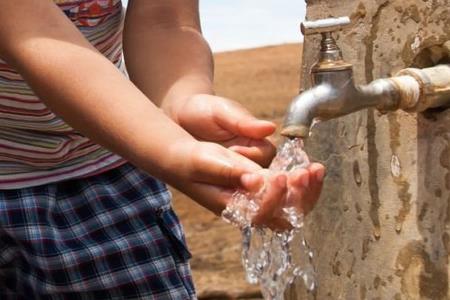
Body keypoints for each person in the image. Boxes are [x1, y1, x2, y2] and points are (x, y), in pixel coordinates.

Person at [0, 1, 325, 299]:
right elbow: (36, 35)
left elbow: (165, 21)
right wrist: (173, 149)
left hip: (105, 159)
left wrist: (182, 101)